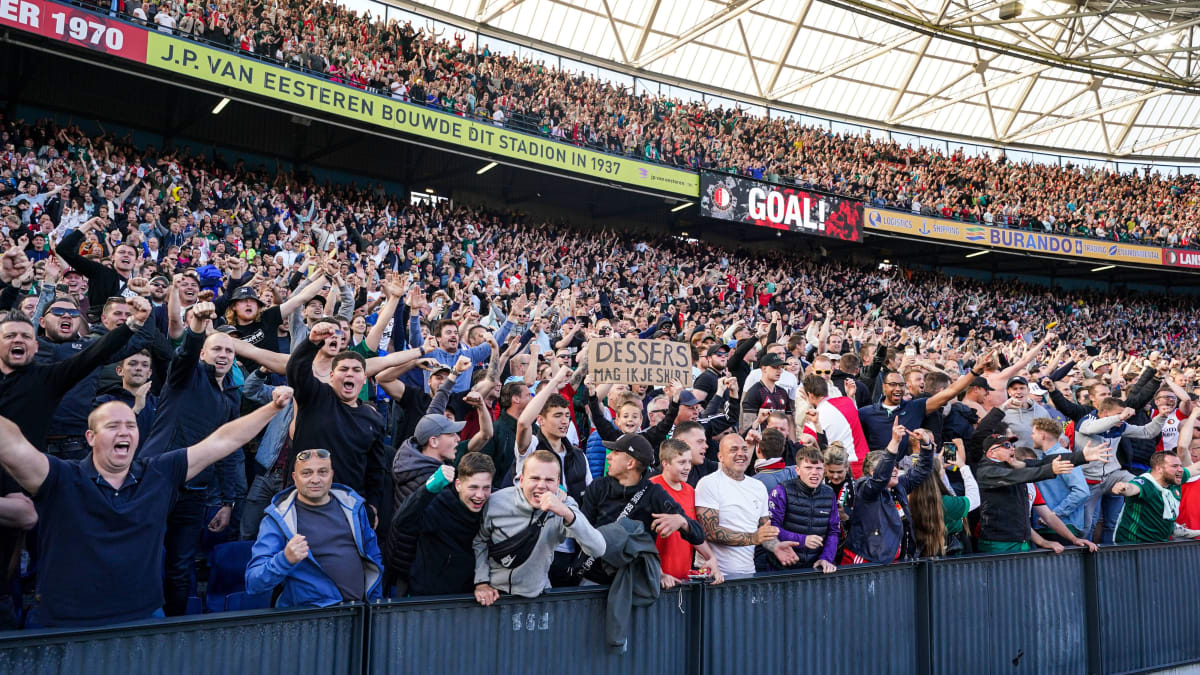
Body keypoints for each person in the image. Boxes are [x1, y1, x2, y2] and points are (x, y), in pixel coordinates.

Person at [0, 388, 291, 627]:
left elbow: (222, 440)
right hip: (68, 624)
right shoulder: (61, 477)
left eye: (130, 425)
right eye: (112, 426)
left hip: (144, 620)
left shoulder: (160, 472)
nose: (124, 432)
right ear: (91, 438)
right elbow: (11, 444)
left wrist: (272, 408)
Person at [142, 300, 243, 616]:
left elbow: (227, 451)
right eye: (217, 350)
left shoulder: (229, 398)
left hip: (195, 492)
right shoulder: (185, 375)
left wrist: (227, 502)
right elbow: (184, 354)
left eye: (229, 351)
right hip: (155, 482)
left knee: (180, 564)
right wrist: (197, 328)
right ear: (204, 354)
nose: (223, 355)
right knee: (140, 554)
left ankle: (173, 629)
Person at [245, 447, 384, 606]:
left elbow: (374, 556)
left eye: (322, 472)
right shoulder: (278, 519)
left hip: (359, 614)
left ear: (331, 475)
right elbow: (253, 583)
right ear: (294, 478)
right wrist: (285, 559)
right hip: (311, 621)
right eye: (306, 473)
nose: (315, 479)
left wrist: (374, 603)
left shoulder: (352, 507)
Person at [472, 450, 605, 604]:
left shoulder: (565, 507)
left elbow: (598, 549)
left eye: (549, 480)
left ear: (558, 483)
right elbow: (480, 541)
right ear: (521, 480)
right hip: (494, 596)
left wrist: (567, 514)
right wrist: (481, 582)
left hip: (536, 596)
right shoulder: (496, 501)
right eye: (534, 478)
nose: (541, 485)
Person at [286, 322, 390, 519]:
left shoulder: (373, 418)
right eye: (343, 369)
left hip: (349, 508)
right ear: (332, 376)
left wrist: (373, 505)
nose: (350, 373)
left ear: (365, 378)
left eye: (356, 370)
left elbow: (375, 469)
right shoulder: (316, 396)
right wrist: (311, 343)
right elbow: (296, 371)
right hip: (304, 503)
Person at [578, 433, 705, 585]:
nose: (608, 457)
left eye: (615, 452)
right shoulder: (598, 487)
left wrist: (682, 521)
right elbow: (582, 530)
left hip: (634, 584)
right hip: (593, 580)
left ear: (630, 463)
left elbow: (698, 535)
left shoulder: (654, 493)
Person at [973, 434, 1108, 552]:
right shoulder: (987, 471)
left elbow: (1047, 515)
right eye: (1007, 445)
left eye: (1013, 444)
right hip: (997, 545)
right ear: (992, 453)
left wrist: (1082, 456)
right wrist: (1051, 470)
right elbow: (1018, 474)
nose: (1012, 448)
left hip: (1022, 543)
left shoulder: (1019, 474)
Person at [695, 433, 797, 576]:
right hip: (713, 577)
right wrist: (753, 538)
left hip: (747, 575)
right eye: (733, 449)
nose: (741, 454)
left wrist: (776, 546)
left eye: (744, 449)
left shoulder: (758, 486)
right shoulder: (708, 484)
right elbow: (710, 532)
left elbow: (763, 530)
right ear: (720, 457)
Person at [396, 453, 495, 596]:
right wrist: (427, 490)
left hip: (469, 598)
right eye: (473, 487)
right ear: (458, 484)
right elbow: (402, 522)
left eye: (486, 488)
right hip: (429, 599)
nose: (480, 495)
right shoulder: (439, 504)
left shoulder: (493, 505)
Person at [1076, 397, 1167, 544]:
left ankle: (1166, 522)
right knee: (1086, 526)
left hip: (1112, 476)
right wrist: (1120, 416)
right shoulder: (1087, 420)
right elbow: (1092, 428)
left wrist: (1161, 417)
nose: (1123, 417)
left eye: (1123, 413)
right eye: (1118, 413)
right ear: (1105, 412)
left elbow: (1147, 432)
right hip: (1088, 480)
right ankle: (1081, 556)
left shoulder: (1119, 425)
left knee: (1147, 486)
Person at [843, 423, 933, 564]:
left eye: (895, 465)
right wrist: (895, 442)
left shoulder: (899, 486)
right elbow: (880, 479)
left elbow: (922, 469)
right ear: (873, 473)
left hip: (893, 560)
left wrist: (926, 444)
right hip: (869, 559)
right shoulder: (865, 488)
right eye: (890, 467)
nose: (895, 469)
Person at [648, 439, 723, 587]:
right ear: (665, 464)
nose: (688, 467)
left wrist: (711, 558)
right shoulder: (650, 488)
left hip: (683, 580)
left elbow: (693, 532)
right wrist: (659, 572)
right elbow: (640, 538)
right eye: (681, 462)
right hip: (656, 580)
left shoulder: (690, 491)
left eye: (689, 462)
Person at [760, 444, 839, 573]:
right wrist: (803, 540)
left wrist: (826, 558)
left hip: (815, 569)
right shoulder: (782, 490)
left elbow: (833, 531)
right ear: (797, 470)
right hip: (781, 568)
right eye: (808, 468)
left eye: (818, 468)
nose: (814, 472)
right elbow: (772, 529)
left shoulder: (829, 493)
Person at [1112, 450, 1200, 543]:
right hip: (1133, 546)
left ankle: (1173, 528)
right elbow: (1133, 488)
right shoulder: (1146, 482)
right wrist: (1123, 488)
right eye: (1174, 466)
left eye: (1180, 465)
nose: (1181, 469)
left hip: (1159, 544)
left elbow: (1196, 468)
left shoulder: (1173, 479)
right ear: (1159, 469)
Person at [1030, 417, 1090, 542]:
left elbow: (1081, 491)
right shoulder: (1043, 458)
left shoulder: (1064, 456)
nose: (1031, 437)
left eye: (1033, 433)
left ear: (1042, 435)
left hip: (1064, 527)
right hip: (1047, 526)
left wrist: (1055, 513)